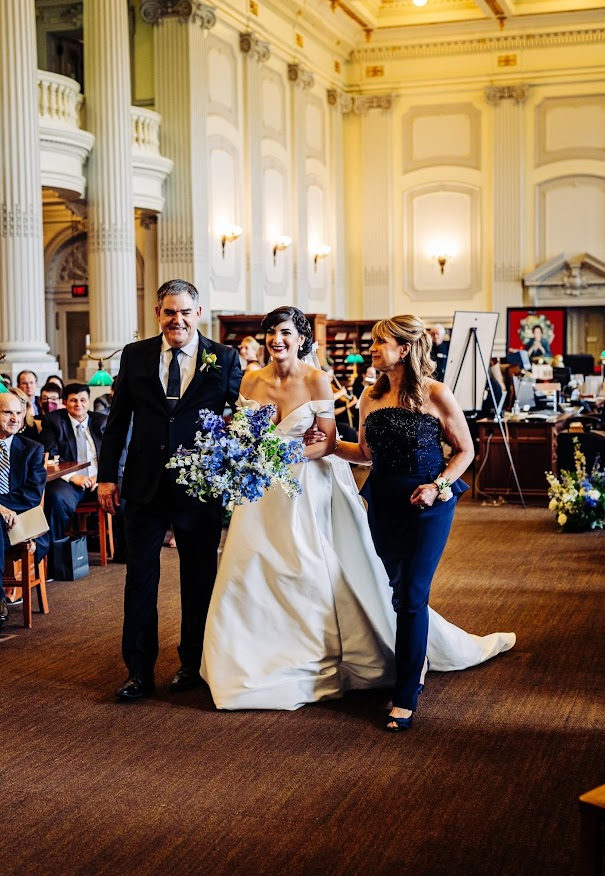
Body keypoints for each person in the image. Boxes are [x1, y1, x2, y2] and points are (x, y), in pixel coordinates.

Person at [201, 308, 515, 714]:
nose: (372, 349)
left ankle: (406, 693)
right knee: (391, 586)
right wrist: (325, 445)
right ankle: (409, 659)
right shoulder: (370, 395)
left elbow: (465, 450)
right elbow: (365, 453)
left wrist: (438, 487)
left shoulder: (436, 393)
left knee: (412, 595)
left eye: (379, 342)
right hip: (382, 501)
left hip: (428, 502)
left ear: (404, 349)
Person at [97, 278, 242, 701]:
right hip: (144, 485)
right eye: (168, 311)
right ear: (157, 314)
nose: (176, 319)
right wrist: (108, 475)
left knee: (199, 580)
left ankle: (192, 664)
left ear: (198, 313)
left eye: (184, 311)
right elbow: (118, 420)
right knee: (140, 580)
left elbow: (242, 417)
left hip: (199, 487)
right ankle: (138, 672)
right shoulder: (136, 354)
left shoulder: (224, 357)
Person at [39, 383, 107, 568]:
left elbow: (113, 454)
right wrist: (73, 477)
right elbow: (50, 456)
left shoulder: (101, 421)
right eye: (73, 400)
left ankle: (126, 553)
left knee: (128, 493)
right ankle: (57, 561)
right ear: (64, 402)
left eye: (83, 400)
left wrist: (100, 477)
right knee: (54, 498)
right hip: (70, 482)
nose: (79, 404)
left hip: (98, 479)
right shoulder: (53, 422)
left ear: (89, 402)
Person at [0, 390, 49, 628]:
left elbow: (31, 495)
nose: (15, 418)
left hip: (20, 522)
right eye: (7, 412)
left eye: (19, 413)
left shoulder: (32, 449)